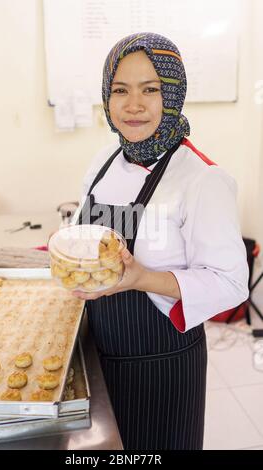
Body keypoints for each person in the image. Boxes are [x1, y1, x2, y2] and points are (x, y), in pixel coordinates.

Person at [72, 32, 249, 450]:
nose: (133, 105)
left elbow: (231, 283)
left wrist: (141, 277)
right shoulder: (104, 161)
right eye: (120, 90)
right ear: (107, 97)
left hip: (162, 365)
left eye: (150, 89)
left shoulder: (203, 179)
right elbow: (88, 235)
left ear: (172, 94)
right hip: (98, 352)